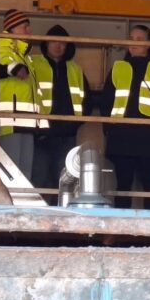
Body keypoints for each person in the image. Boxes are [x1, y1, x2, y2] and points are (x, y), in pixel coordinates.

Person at [101, 24, 150, 209]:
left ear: (149, 44)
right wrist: (109, 129)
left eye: (139, 39)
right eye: (131, 39)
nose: (134, 43)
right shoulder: (118, 67)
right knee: (123, 185)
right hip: (121, 136)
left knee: (149, 185)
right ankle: (119, 226)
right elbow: (106, 101)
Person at [28, 24, 93, 193]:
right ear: (46, 44)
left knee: (65, 181)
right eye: (53, 42)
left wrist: (74, 124)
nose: (58, 46)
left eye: (62, 43)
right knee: (39, 180)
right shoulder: (33, 64)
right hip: (41, 135)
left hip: (67, 135)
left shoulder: (75, 69)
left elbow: (87, 99)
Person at [0, 9, 41, 177]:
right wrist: (13, 69)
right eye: (24, 27)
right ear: (11, 29)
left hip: (25, 122)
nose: (29, 31)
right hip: (10, 123)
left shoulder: (25, 57)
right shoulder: (1, 46)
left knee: (24, 174)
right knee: (12, 173)